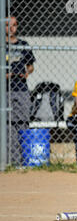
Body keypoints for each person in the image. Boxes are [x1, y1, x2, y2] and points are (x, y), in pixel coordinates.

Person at [5, 16, 36, 166]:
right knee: (7, 123)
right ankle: (11, 160)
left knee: (23, 122)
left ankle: (25, 160)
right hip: (5, 90)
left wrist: (26, 72)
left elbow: (31, 66)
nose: (11, 28)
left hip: (22, 88)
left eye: (14, 25)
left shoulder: (23, 45)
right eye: (7, 25)